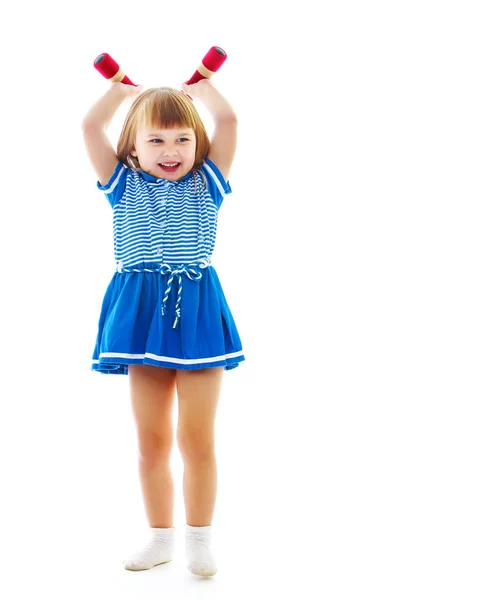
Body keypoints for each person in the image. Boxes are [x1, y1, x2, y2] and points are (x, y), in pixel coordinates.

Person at [82, 76, 245, 577]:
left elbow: (229, 121)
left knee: (197, 439)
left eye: (182, 139)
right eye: (155, 140)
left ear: (197, 144)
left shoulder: (206, 182)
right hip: (140, 313)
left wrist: (205, 88)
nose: (170, 150)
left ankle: (199, 539)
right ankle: (159, 538)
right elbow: (90, 124)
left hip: (195, 313)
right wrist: (120, 92)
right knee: (151, 440)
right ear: (132, 146)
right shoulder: (122, 184)